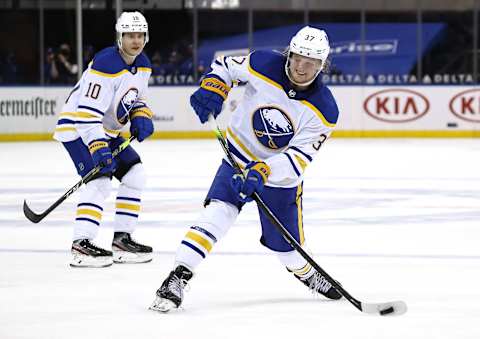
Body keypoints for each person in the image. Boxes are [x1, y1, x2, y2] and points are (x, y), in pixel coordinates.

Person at [150, 26, 341, 312]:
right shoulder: (263, 62)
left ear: (322, 65)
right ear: (289, 52)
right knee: (218, 212)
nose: (301, 66)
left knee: (286, 249)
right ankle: (177, 276)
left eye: (311, 62)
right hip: (238, 157)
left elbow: (299, 158)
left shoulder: (325, 109)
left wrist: (264, 170)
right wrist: (213, 86)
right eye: (298, 57)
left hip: (279, 178)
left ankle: (306, 272)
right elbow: (226, 67)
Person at [53, 11, 155, 268]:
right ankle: (81, 245)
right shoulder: (106, 64)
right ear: (120, 38)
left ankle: (122, 240)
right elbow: (85, 115)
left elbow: (136, 99)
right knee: (99, 181)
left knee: (135, 174)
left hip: (105, 132)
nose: (135, 40)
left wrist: (141, 115)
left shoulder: (143, 64)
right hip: (77, 129)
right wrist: (97, 147)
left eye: (140, 35)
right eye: (130, 35)